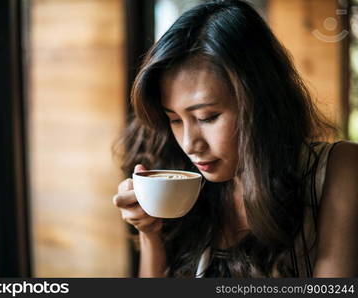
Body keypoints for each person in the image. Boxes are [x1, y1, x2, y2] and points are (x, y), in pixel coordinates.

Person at [112, 0, 358, 277]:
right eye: (175, 120)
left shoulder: (337, 170)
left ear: (259, 101)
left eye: (207, 117)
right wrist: (149, 234)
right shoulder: (178, 177)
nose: (191, 144)